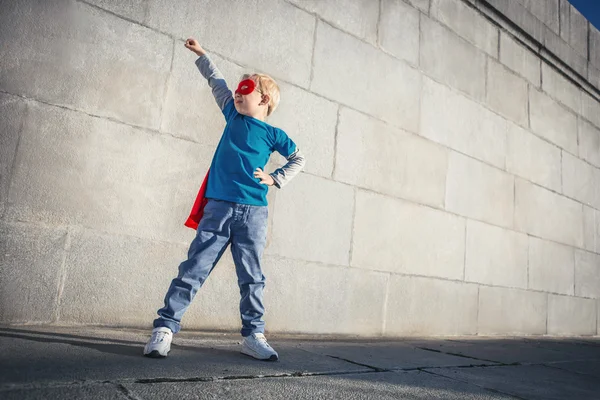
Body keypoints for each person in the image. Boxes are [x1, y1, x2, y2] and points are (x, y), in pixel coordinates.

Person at [143, 38, 306, 361]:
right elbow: (216, 82)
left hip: (254, 213)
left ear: (264, 99)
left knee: (252, 276)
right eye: (238, 88)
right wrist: (203, 55)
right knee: (194, 268)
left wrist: (275, 178)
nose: (237, 92)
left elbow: (299, 158)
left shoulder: (274, 135)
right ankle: (165, 327)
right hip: (219, 208)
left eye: (245, 88)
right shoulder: (233, 116)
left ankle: (253, 334)